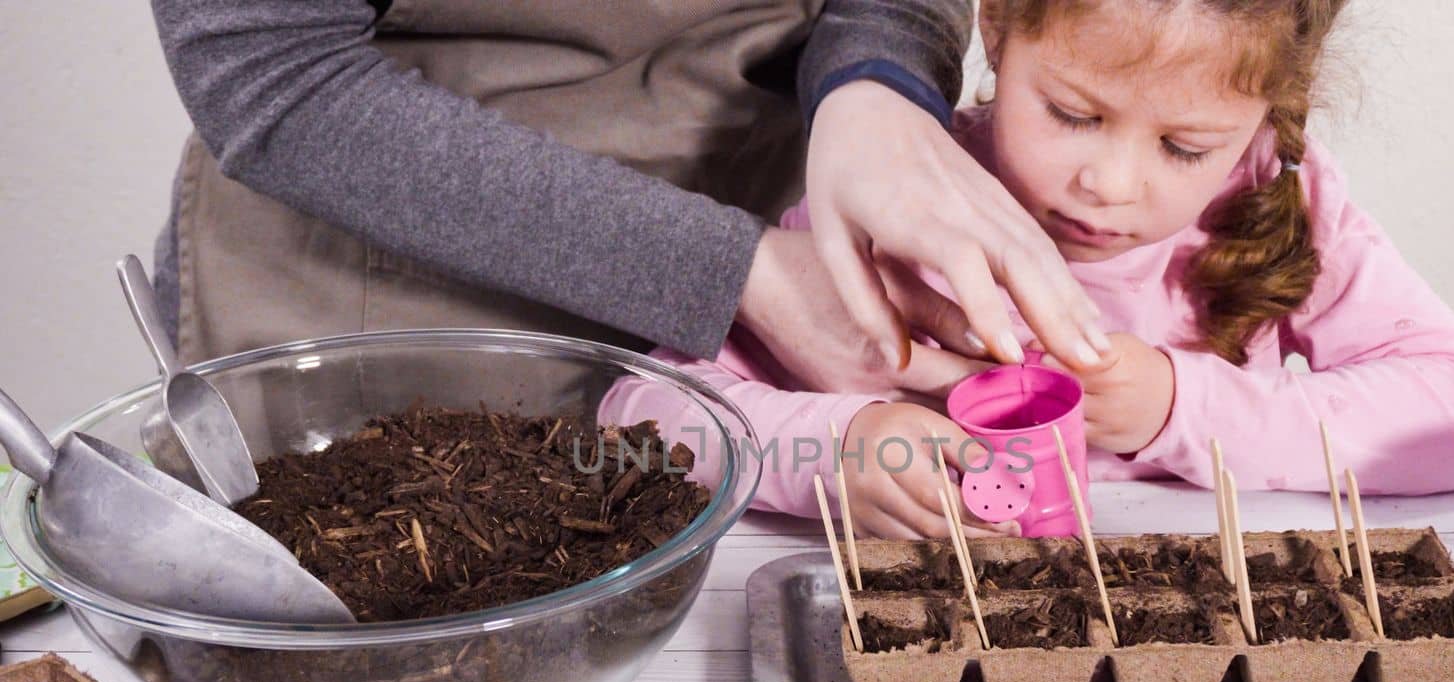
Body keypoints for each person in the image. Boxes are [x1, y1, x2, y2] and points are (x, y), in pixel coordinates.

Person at [602, 0, 1454, 539]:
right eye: (1074, 115)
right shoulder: (902, 192)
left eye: (1183, 144)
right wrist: (837, 449)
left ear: (1266, 115)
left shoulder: (1283, 199)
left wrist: (1178, 406)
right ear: (998, 30)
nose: (1109, 184)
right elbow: (642, 412)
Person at [148, 0, 1109, 397]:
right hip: (399, 332)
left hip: (788, 293)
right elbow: (269, 73)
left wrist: (877, 83)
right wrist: (732, 276)